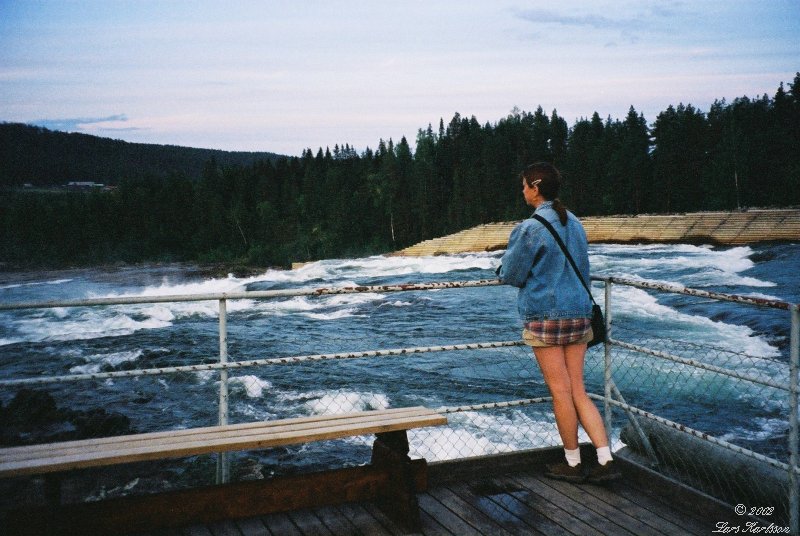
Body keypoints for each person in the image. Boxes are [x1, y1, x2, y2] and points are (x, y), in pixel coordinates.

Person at [498, 162, 620, 483]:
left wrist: (502, 271)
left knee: (560, 392)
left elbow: (512, 274)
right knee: (578, 389)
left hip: (546, 319)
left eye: (524, 186)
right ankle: (607, 459)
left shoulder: (530, 228)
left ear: (535, 189)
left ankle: (573, 463)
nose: (522, 191)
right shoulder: (575, 222)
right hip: (579, 315)